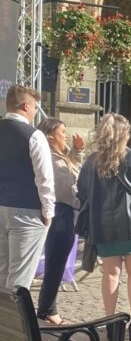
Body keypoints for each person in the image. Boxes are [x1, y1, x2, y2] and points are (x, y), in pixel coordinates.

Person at [77, 114, 131, 341]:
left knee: (110, 274)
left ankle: (110, 321)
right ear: (125, 134)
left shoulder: (92, 162)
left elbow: (82, 193)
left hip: (103, 224)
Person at [0, 84, 54, 291]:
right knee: (20, 277)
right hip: (27, 210)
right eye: (34, 107)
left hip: (1, 205)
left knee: (2, 272)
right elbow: (44, 179)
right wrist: (48, 212)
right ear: (25, 106)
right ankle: (15, 322)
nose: (34, 112)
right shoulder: (33, 135)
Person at [36, 119, 84, 324]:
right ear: (50, 136)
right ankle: (48, 310)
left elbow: (74, 170)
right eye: (62, 131)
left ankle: (46, 308)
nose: (66, 135)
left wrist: (77, 151)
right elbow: (68, 186)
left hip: (66, 211)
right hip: (61, 212)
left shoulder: (60, 155)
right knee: (55, 263)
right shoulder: (49, 158)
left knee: (58, 262)